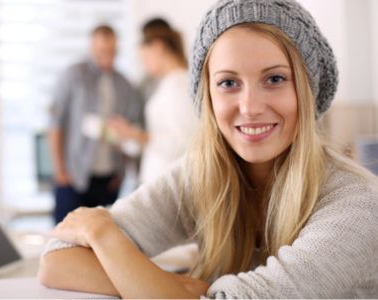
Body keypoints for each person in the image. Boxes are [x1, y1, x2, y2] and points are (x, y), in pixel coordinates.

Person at [39, 0, 378, 298]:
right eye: (228, 83)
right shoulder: (201, 174)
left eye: (275, 79)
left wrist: (105, 234)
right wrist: (177, 288)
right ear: (208, 97)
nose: (249, 107)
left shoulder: (358, 205)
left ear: (306, 89)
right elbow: (57, 259)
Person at [47, 24, 142, 224]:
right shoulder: (73, 75)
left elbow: (128, 131)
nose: (107, 56)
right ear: (91, 48)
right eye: (101, 51)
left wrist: (121, 173)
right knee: (65, 242)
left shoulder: (124, 84)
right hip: (74, 176)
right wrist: (60, 170)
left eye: (112, 51)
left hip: (108, 180)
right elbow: (56, 123)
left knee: (100, 243)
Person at [108, 19, 199, 183]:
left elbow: (184, 143)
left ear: (157, 48)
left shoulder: (178, 85)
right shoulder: (168, 83)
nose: (144, 65)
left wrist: (136, 134)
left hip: (170, 181)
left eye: (144, 58)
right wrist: (130, 135)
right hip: (160, 178)